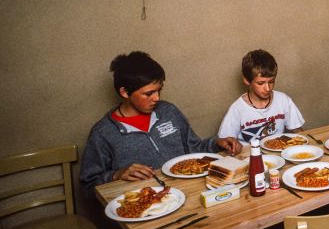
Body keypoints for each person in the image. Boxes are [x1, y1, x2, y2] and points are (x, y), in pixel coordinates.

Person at [80, 51, 242, 196]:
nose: (157, 98)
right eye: (148, 93)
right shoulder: (103, 133)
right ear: (124, 92)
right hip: (147, 203)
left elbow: (194, 149)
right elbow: (88, 186)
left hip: (193, 192)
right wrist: (116, 175)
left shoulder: (168, 112)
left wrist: (217, 143)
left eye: (159, 90)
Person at [218, 49, 305, 143]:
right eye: (260, 83)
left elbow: (299, 133)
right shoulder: (237, 109)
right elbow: (226, 142)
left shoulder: (283, 100)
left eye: (271, 81)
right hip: (249, 156)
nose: (268, 88)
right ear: (247, 80)